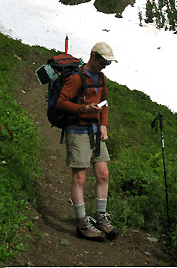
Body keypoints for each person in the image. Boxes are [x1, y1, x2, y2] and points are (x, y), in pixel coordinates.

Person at [57, 42, 119, 242]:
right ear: (93, 56)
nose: (105, 66)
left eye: (108, 63)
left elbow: (105, 102)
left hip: (95, 130)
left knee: (103, 173)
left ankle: (100, 217)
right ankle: (82, 222)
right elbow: (61, 102)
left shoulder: (101, 78)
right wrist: (84, 109)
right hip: (77, 130)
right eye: (103, 62)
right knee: (80, 177)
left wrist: (104, 125)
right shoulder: (76, 77)